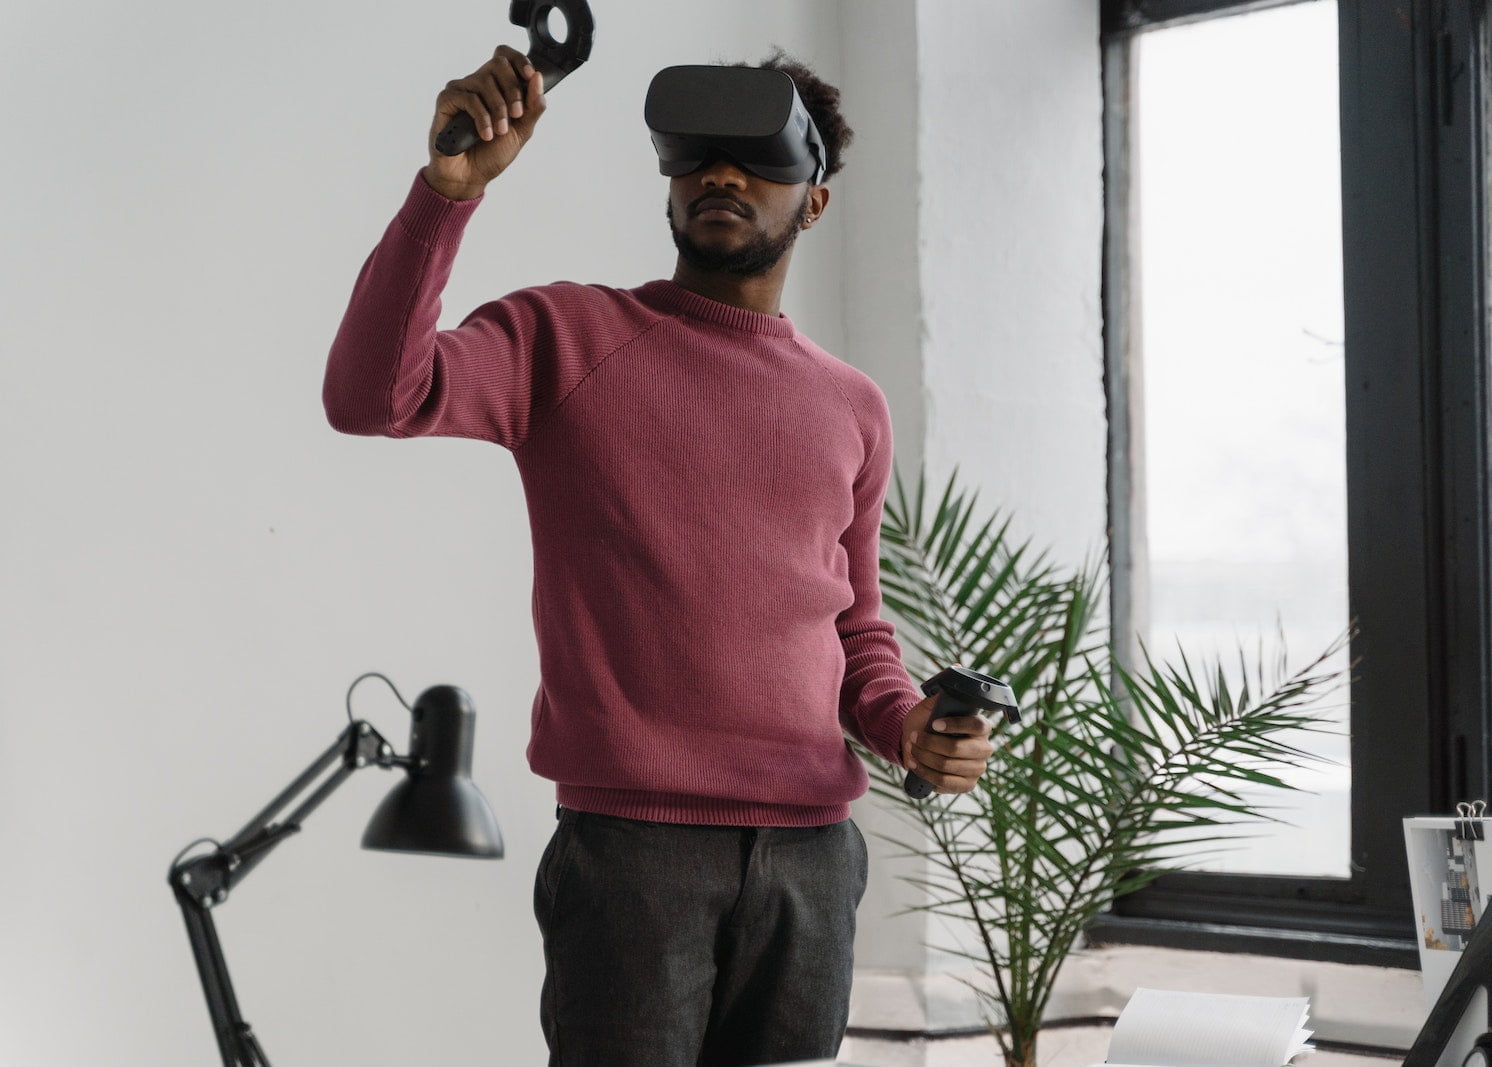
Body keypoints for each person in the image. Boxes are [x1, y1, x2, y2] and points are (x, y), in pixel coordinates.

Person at [322, 44, 996, 1067]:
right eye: (698, 157)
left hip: (812, 862)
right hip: (635, 854)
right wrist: (445, 194)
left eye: (757, 159)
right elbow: (372, 395)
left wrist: (910, 727)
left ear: (814, 202)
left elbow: (855, 627)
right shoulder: (567, 337)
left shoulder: (852, 405)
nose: (720, 175)